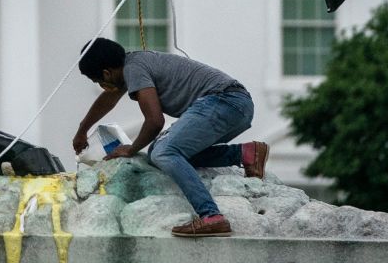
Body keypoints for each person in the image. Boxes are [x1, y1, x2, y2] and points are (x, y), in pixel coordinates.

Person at [73, 38, 270, 237]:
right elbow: (109, 99)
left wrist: (130, 149)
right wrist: (83, 129)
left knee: (163, 152)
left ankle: (211, 217)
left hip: (223, 100)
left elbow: (155, 121)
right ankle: (246, 153)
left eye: (99, 82)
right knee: (170, 156)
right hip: (237, 105)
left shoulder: (134, 69)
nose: (102, 86)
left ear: (107, 73)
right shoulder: (132, 67)